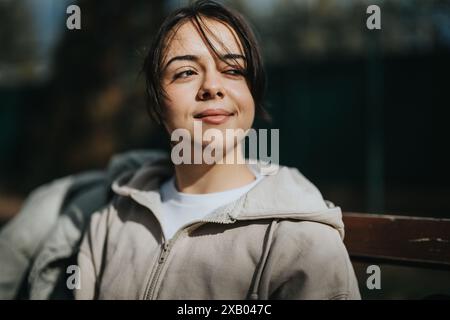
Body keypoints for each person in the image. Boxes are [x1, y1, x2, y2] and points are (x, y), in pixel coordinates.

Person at [75, 0, 361, 300]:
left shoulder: (304, 241)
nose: (212, 85)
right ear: (158, 105)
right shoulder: (111, 221)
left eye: (233, 69)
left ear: (252, 94)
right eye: (185, 72)